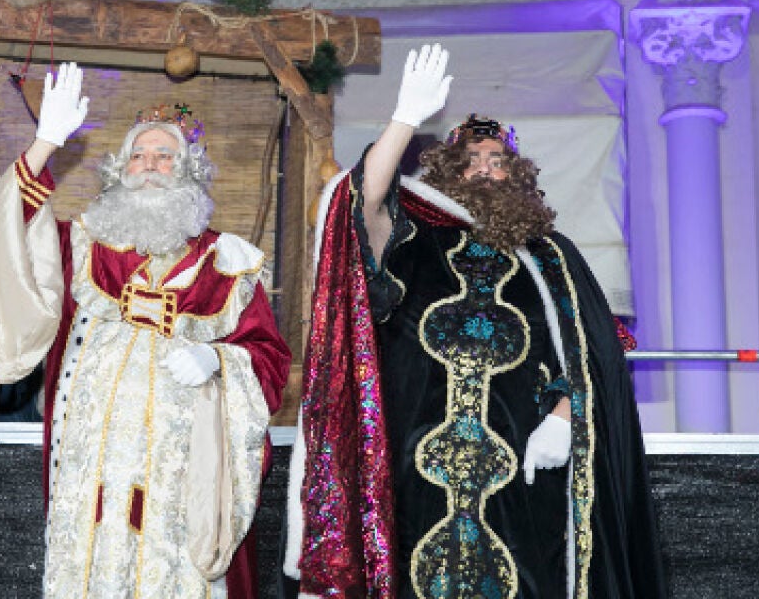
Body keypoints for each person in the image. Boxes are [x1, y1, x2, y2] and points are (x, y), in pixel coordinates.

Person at [285, 45, 666, 598]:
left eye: (497, 160)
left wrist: (564, 418)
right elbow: (358, 206)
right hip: (415, 464)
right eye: (470, 159)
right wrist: (404, 119)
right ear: (447, 171)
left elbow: (600, 345)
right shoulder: (412, 239)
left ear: (516, 175)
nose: (485, 168)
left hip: (522, 466)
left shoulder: (551, 257)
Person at [0, 63, 291, 598]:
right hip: (91, 465)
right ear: (120, 170)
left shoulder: (230, 262)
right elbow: (8, 234)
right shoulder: (82, 246)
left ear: (188, 171)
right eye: (138, 156)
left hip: (181, 474)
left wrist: (218, 361)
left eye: (164, 155)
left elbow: (270, 361)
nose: (149, 165)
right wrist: (45, 144)